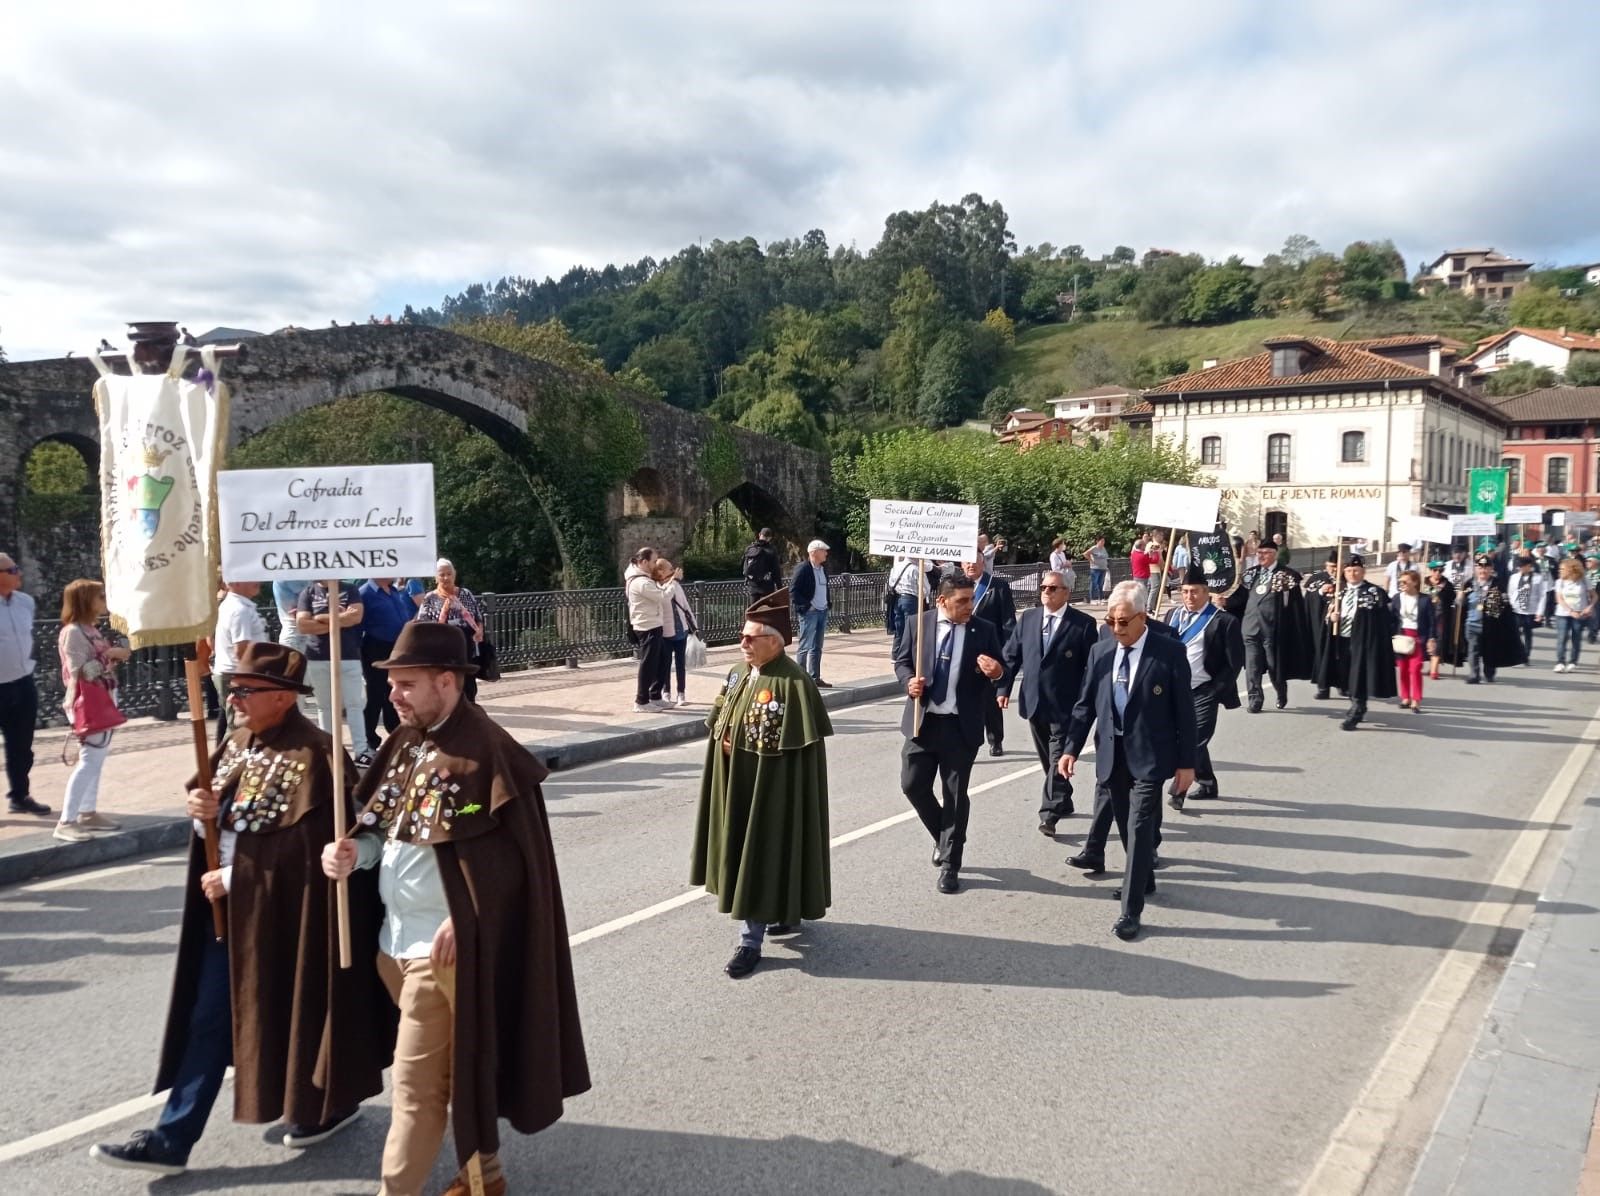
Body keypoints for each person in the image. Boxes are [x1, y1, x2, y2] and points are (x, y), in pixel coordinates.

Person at [91, 643, 388, 1177]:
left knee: (305, 1010)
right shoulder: (235, 740)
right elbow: (223, 820)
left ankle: (330, 1102)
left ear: (283, 697)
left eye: (246, 690)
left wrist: (237, 876)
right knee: (210, 1017)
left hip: (289, 919)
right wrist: (200, 813)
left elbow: (319, 851)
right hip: (228, 914)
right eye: (233, 688)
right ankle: (172, 1136)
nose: (234, 698)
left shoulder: (320, 756)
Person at [321, 622, 591, 1196]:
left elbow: (517, 867)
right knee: (452, 1071)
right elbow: (385, 833)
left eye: (405, 684)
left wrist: (469, 917)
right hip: (390, 947)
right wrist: (353, 853)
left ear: (447, 682)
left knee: (416, 1092)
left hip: (438, 956)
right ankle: (484, 1176)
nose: (392, 695)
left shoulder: (488, 752)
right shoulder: (403, 742)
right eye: (391, 684)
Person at [691, 589, 833, 978]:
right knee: (744, 853)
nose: (743, 644)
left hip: (772, 795)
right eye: (743, 636)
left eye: (752, 638)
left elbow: (801, 755)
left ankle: (750, 942)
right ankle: (783, 911)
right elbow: (719, 717)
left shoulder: (794, 683)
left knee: (761, 855)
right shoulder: (737, 673)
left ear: (776, 641)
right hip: (733, 785)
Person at [1059, 583, 1196, 942]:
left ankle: (1130, 912)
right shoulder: (1100, 652)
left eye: (1123, 622)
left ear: (1142, 617)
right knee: (1124, 824)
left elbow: (1185, 712)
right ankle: (1146, 878)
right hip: (1112, 754)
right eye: (1110, 621)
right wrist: (1071, 748)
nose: (1116, 629)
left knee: (1137, 827)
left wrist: (1187, 763)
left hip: (1151, 757)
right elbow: (1085, 704)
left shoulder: (1168, 652)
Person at [893, 574, 1005, 895]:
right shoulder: (919, 623)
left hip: (961, 726)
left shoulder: (983, 629)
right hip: (922, 722)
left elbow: (1001, 669)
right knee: (912, 785)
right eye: (962, 601)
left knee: (955, 795)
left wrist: (995, 672)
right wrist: (907, 683)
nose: (970, 606)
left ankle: (951, 864)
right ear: (942, 601)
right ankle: (945, 837)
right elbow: (901, 660)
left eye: (971, 599)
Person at [998, 570, 1096, 834]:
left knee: (1056, 758)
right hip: (1034, 702)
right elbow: (1011, 656)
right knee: (1048, 758)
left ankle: (1049, 814)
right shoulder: (1028, 619)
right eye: (1043, 587)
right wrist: (1003, 688)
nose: (1046, 592)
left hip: (1066, 706)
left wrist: (1088, 700)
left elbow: (1092, 667)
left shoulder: (1083, 624)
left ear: (1066, 592)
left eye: (1053, 588)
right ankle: (1063, 797)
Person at [54, 579, 130, 841]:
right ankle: (67, 819)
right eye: (100, 596)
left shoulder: (91, 630)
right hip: (87, 701)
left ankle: (88, 811)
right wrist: (113, 654)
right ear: (86, 599)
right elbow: (81, 672)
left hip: (103, 697)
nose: (105, 599)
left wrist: (113, 654)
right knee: (89, 761)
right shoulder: (74, 632)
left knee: (96, 760)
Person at [1165, 565, 1243, 807]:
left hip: (1203, 691)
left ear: (1206, 592)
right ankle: (1207, 781)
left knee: (1194, 740)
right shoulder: (1171, 616)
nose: (1189, 597)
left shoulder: (1223, 621)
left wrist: (1215, 689)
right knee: (1182, 738)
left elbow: (1234, 663)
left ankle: (1178, 790)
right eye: (1185, 591)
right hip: (1174, 691)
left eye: (1195, 591)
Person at [1224, 541, 1314, 712]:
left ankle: (1281, 690)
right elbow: (1240, 598)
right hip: (1250, 627)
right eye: (1259, 552)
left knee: (1274, 665)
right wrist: (1226, 602)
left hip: (1273, 629)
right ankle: (1255, 699)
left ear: (1275, 553)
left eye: (1266, 552)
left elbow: (1294, 607)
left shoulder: (1286, 575)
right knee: (1252, 666)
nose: (1261, 555)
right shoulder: (1251, 574)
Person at [1316, 554, 1398, 731]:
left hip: (1363, 641)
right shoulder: (1340, 592)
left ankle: (1357, 709)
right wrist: (1331, 617)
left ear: (1363, 572)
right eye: (1348, 570)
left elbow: (1385, 621)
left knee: (1359, 675)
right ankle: (1355, 702)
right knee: (1345, 675)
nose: (1352, 574)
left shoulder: (1375, 593)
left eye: (1356, 570)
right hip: (1342, 639)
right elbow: (1327, 615)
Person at [0, 552, 44, 818]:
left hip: (23, 682)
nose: (20, 574)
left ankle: (20, 795)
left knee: (21, 745)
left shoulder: (26, 602)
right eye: (13, 570)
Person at [297, 579, 366, 746]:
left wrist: (320, 617)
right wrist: (340, 619)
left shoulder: (350, 589)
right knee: (324, 706)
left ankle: (361, 750)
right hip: (317, 656)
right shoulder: (308, 592)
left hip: (348, 655)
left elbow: (356, 617)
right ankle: (329, 747)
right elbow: (303, 625)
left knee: (354, 705)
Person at [357, 577, 414, 764]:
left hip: (396, 647)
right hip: (375, 648)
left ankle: (398, 735)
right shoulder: (365, 592)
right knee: (375, 694)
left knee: (393, 692)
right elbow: (359, 625)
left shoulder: (394, 590)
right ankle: (368, 742)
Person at [965, 557, 1017, 757]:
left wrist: (1006, 652)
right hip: (965, 651)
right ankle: (967, 740)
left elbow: (1008, 621)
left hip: (989, 652)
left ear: (982, 563)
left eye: (975, 561)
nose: (971, 565)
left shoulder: (997, 587)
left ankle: (996, 739)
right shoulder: (956, 584)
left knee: (990, 701)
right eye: (967, 562)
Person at [418, 559, 486, 705]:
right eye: (442, 574)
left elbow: (478, 617)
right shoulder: (430, 598)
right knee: (447, 682)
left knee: (468, 682)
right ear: (436, 577)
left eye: (449, 574)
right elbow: (423, 624)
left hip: (466, 644)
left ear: (454, 575)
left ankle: (469, 713)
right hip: (443, 647)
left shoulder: (465, 594)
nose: (446, 577)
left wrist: (479, 630)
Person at [1454, 555, 1525, 684]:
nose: (1483, 570)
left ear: (1491, 568)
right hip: (1472, 624)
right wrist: (1460, 596)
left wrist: (1496, 601)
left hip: (1490, 625)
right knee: (1473, 650)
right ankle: (1474, 674)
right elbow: (1460, 604)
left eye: (1486, 567)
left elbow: (1503, 605)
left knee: (1489, 650)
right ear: (1475, 568)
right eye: (1480, 567)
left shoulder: (1497, 584)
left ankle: (1489, 672)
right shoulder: (1469, 584)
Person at [213, 579, 266, 745]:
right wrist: (255, 675)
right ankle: (227, 766)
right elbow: (241, 649)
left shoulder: (234, 605)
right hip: (238, 675)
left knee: (237, 725)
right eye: (248, 578)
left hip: (232, 674)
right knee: (239, 728)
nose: (256, 581)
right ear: (233, 583)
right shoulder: (240, 610)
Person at [1391, 571, 1437, 712]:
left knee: (1415, 668)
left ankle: (1416, 700)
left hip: (1418, 637)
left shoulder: (1425, 599)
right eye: (1400, 582)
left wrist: (1431, 638)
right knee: (1403, 669)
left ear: (1415, 582)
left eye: (1405, 581)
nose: (1402, 584)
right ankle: (1405, 697)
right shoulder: (1397, 598)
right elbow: (1392, 618)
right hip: (1401, 637)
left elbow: (1432, 621)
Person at [655, 558, 697, 705]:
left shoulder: (676, 585)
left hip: (681, 629)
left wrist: (693, 625)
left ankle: (681, 693)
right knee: (665, 664)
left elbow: (685, 606)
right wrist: (674, 580)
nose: (673, 570)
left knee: (680, 663)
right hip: (666, 632)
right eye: (669, 568)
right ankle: (666, 692)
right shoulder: (656, 587)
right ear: (661, 571)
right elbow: (664, 598)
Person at [790, 539, 832, 687]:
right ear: (814, 552)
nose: (826, 553)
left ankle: (815, 678)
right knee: (805, 646)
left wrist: (827, 603)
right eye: (823, 551)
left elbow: (824, 589)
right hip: (810, 613)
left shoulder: (822, 569)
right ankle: (800, 678)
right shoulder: (803, 568)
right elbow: (793, 590)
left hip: (822, 611)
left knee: (817, 646)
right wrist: (805, 606)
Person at [1302, 550, 1342, 695]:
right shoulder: (1317, 578)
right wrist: (1319, 592)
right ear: (1326, 565)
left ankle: (1340, 683)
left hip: (1340, 623)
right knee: (1321, 654)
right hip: (1320, 623)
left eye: (1337, 566)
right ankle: (1323, 687)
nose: (1334, 569)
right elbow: (1309, 600)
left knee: (1339, 654)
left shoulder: (1346, 578)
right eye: (1332, 566)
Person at [1552, 557, 1593, 672]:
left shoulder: (1584, 580)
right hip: (1562, 613)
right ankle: (1560, 662)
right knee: (1562, 637)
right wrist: (1570, 611)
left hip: (1580, 613)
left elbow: (1594, 596)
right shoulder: (1559, 582)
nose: (1560, 571)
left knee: (1576, 638)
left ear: (1571, 569)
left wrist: (1590, 606)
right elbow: (1559, 599)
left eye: (1562, 569)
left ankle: (1573, 661)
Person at [1422, 560, 1458, 680]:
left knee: (1439, 640)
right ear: (1430, 570)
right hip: (1425, 616)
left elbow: (1453, 600)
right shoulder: (1424, 583)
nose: (1438, 573)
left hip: (1440, 617)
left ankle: (1434, 669)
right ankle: (1430, 664)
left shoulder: (1447, 585)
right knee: (1425, 640)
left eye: (1440, 570)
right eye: (1435, 570)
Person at [1507, 555, 1547, 659]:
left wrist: (1540, 612)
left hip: (1530, 610)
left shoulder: (1537, 578)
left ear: (1529, 566)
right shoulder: (1514, 577)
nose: (1520, 568)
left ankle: (1526, 654)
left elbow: (1542, 595)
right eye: (1519, 566)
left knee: (1527, 633)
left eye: (1522, 566)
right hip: (1516, 609)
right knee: (1515, 633)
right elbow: (1510, 592)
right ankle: (1516, 653)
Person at [886, 554, 927, 643]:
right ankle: (908, 652)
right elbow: (925, 588)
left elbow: (891, 583)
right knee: (911, 627)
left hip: (898, 599)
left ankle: (896, 653)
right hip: (911, 600)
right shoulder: (916, 569)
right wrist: (922, 597)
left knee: (899, 628)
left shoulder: (895, 568)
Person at [741, 528, 781, 600]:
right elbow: (776, 570)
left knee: (753, 610)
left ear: (759, 534)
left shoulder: (750, 548)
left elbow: (744, 565)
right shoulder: (771, 550)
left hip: (753, 586)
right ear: (770, 538)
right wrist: (779, 587)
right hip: (767, 586)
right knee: (767, 609)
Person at [1088, 535, 1110, 603]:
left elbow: (1106, 556)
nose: (1103, 542)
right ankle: (1093, 599)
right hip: (1095, 568)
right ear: (1097, 541)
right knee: (1094, 583)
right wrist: (1091, 560)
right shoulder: (1094, 548)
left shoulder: (1103, 548)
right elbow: (1086, 553)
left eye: (1104, 541)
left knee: (1101, 584)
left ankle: (1100, 598)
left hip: (1102, 568)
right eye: (1102, 541)